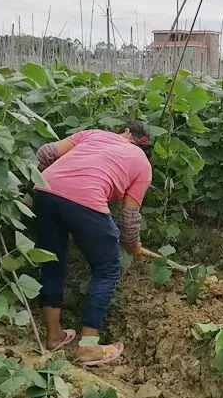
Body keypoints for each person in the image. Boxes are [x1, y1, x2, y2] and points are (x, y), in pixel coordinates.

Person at [32, 121, 153, 366]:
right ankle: (88, 348)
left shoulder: (94, 134)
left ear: (127, 132)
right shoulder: (142, 164)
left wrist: (51, 179)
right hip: (86, 200)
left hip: (44, 190)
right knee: (107, 270)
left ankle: (54, 336)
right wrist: (134, 246)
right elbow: (128, 217)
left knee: (51, 263)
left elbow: (45, 152)